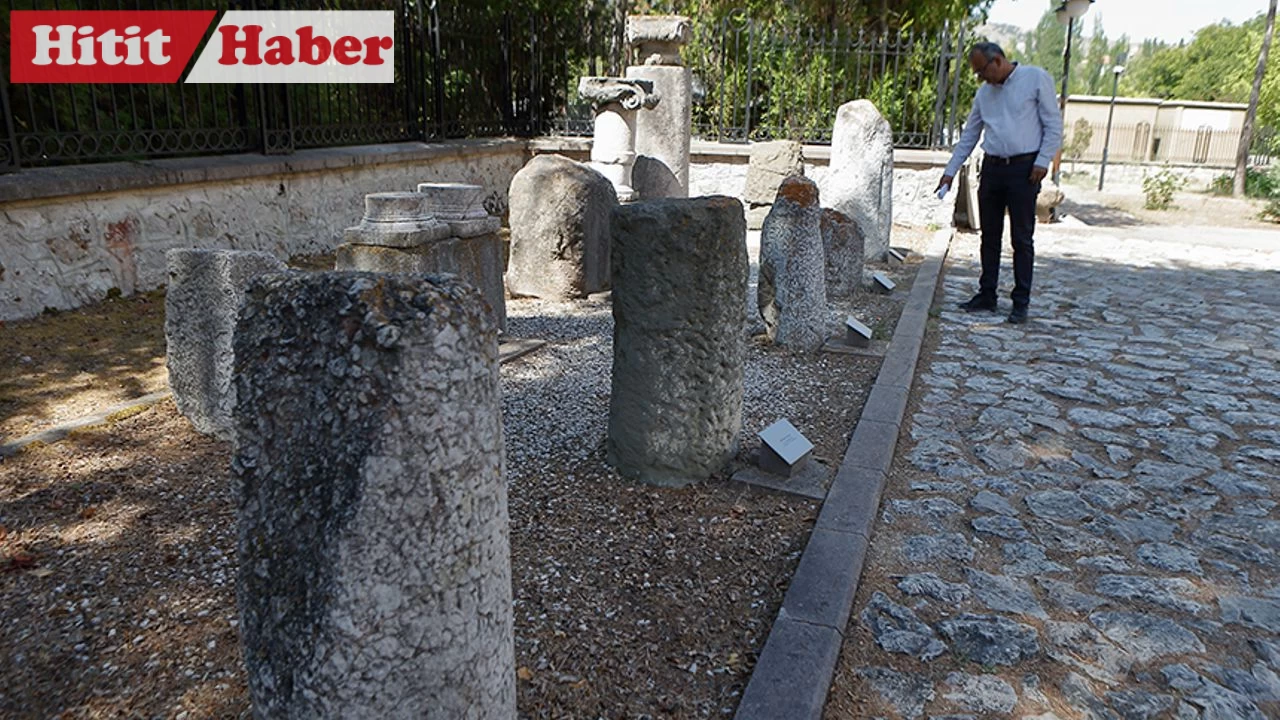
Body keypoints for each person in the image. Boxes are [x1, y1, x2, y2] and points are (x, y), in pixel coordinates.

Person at [937, 42, 1062, 324]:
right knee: (989, 236)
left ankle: (1021, 301)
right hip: (992, 168)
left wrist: (1043, 161)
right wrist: (950, 170)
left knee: (1021, 238)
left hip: (1024, 169)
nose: (981, 78)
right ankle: (987, 294)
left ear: (997, 61)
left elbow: (1053, 125)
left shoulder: (1035, 78)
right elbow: (970, 135)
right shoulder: (984, 95)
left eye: (982, 71)